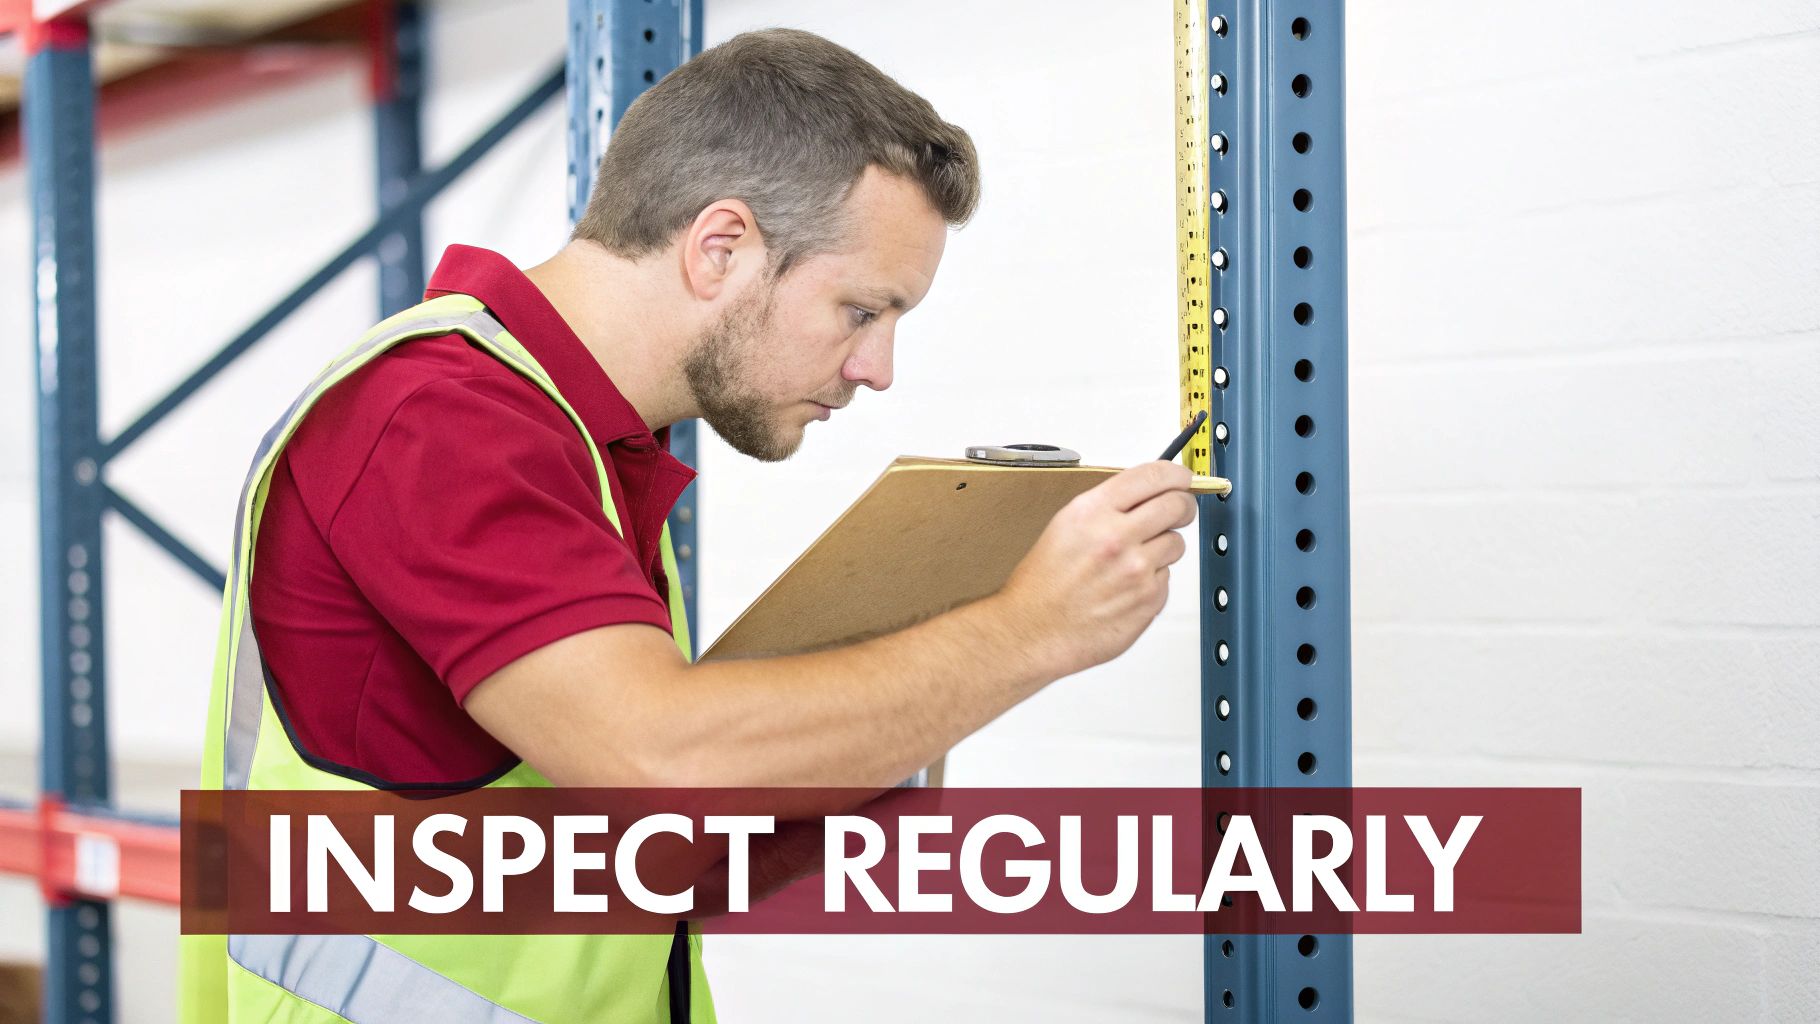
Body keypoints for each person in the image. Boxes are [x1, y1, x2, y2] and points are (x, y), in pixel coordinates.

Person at [184, 27, 1195, 1024]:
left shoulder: (594, 448)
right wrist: (1026, 632)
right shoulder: (438, 419)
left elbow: (652, 849)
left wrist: (890, 717)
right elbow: (656, 764)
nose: (876, 367)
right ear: (720, 248)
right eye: (859, 310)